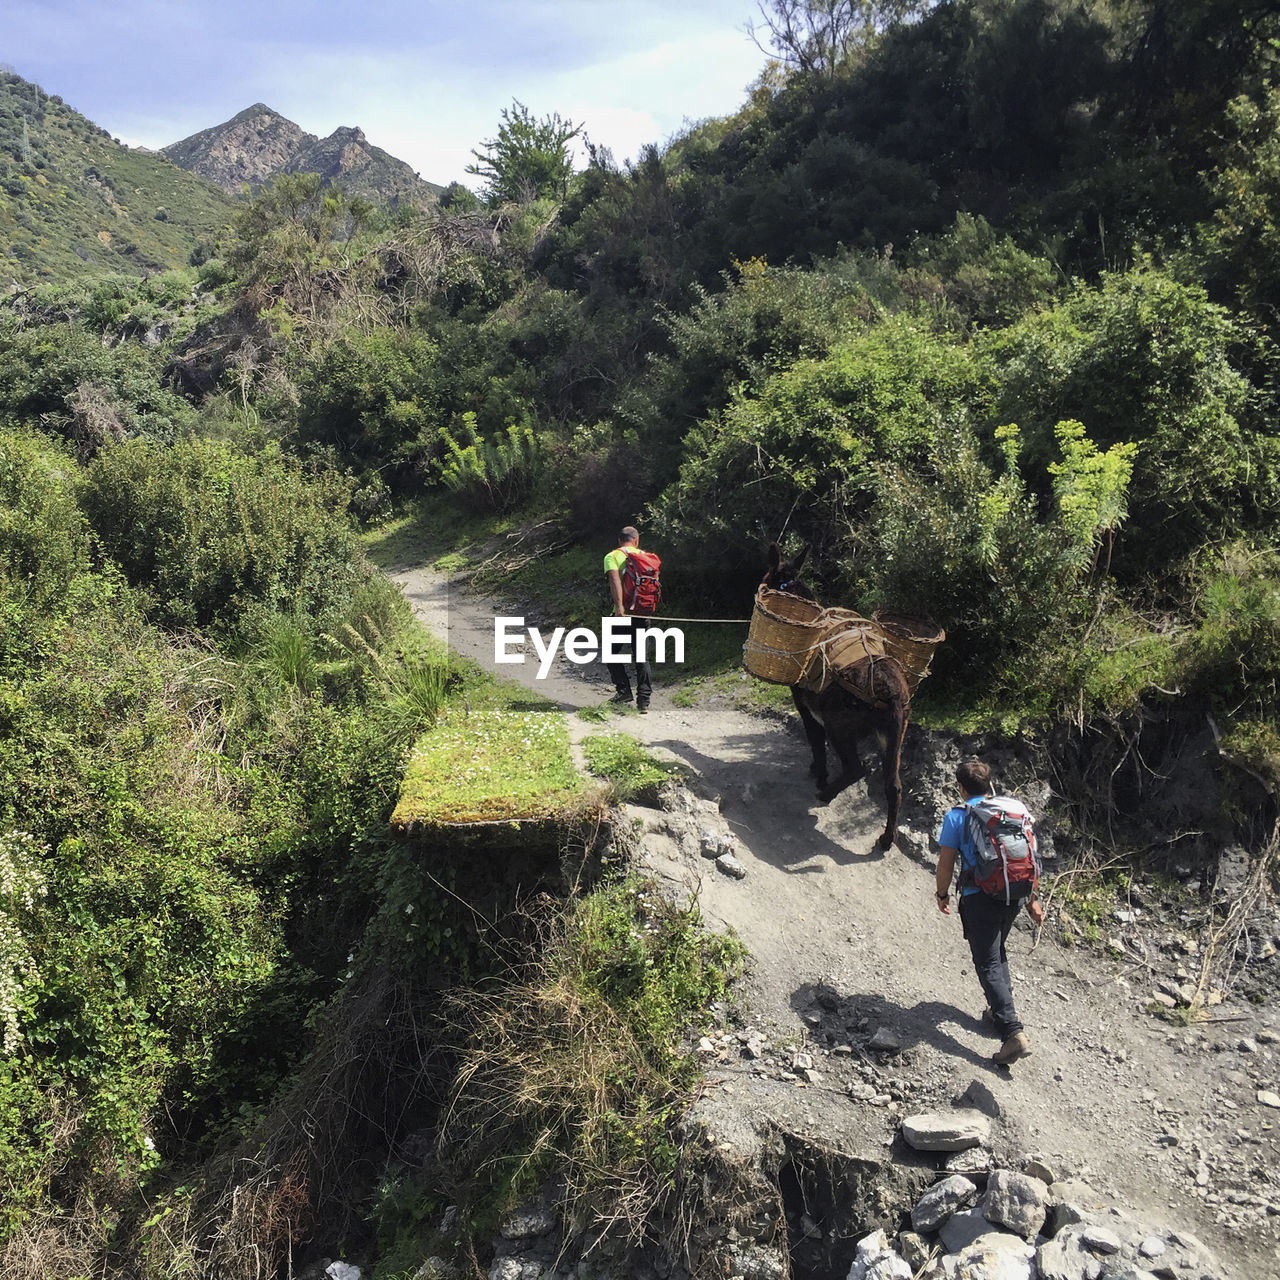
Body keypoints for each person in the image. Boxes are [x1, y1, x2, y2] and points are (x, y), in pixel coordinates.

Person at [935, 758, 1045, 1066]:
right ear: (989, 785)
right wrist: (1033, 899)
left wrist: (941, 894)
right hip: (1014, 894)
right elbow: (1027, 856)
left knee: (988, 961)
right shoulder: (1010, 811)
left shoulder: (958, 817)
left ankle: (1012, 1034)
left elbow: (945, 864)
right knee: (998, 953)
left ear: (960, 788)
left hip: (979, 895)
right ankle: (999, 1015)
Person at [603, 526, 653, 713]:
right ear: (636, 540)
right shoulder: (646, 557)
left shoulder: (612, 556)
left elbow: (614, 581)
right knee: (641, 656)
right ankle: (644, 702)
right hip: (642, 612)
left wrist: (620, 608)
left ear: (619, 540)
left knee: (610, 652)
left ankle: (624, 691)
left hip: (622, 613)